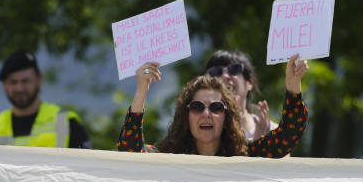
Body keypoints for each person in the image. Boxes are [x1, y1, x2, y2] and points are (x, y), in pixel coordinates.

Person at [117, 53, 308, 157]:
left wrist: (293, 83)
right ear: (186, 116)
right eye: (198, 107)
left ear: (227, 118)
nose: (206, 113)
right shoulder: (169, 157)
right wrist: (141, 91)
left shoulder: (244, 155)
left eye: (216, 108)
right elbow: (130, 152)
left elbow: (289, 134)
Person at [0, 49, 91, 148]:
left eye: (25, 81)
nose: (19, 88)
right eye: (13, 82)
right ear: (4, 85)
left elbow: (86, 168)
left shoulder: (67, 123)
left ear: (39, 79)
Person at [205, 49, 276, 141]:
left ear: (250, 82)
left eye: (234, 69)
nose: (225, 76)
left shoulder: (272, 131)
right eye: (216, 72)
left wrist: (261, 142)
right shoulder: (202, 132)